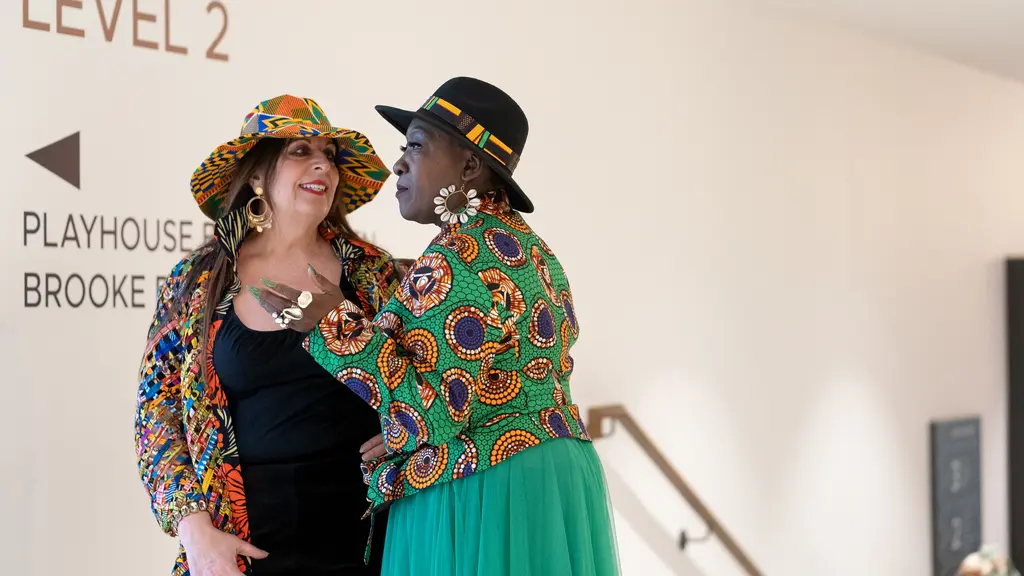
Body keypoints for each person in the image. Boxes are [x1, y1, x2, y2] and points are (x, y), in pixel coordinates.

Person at [249, 78, 620, 575]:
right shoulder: (528, 247)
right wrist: (407, 429)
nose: (400, 164)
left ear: (469, 167)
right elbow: (484, 386)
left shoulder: (458, 255)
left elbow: (430, 411)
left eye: (417, 146)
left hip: (486, 488)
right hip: (544, 483)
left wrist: (333, 322)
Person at [135, 95, 402, 576]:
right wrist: (193, 529)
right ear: (257, 174)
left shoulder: (372, 273)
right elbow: (156, 410)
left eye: (330, 154)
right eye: (300, 150)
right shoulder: (199, 279)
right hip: (241, 546)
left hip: (366, 539)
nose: (323, 163)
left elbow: (422, 376)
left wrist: (407, 426)